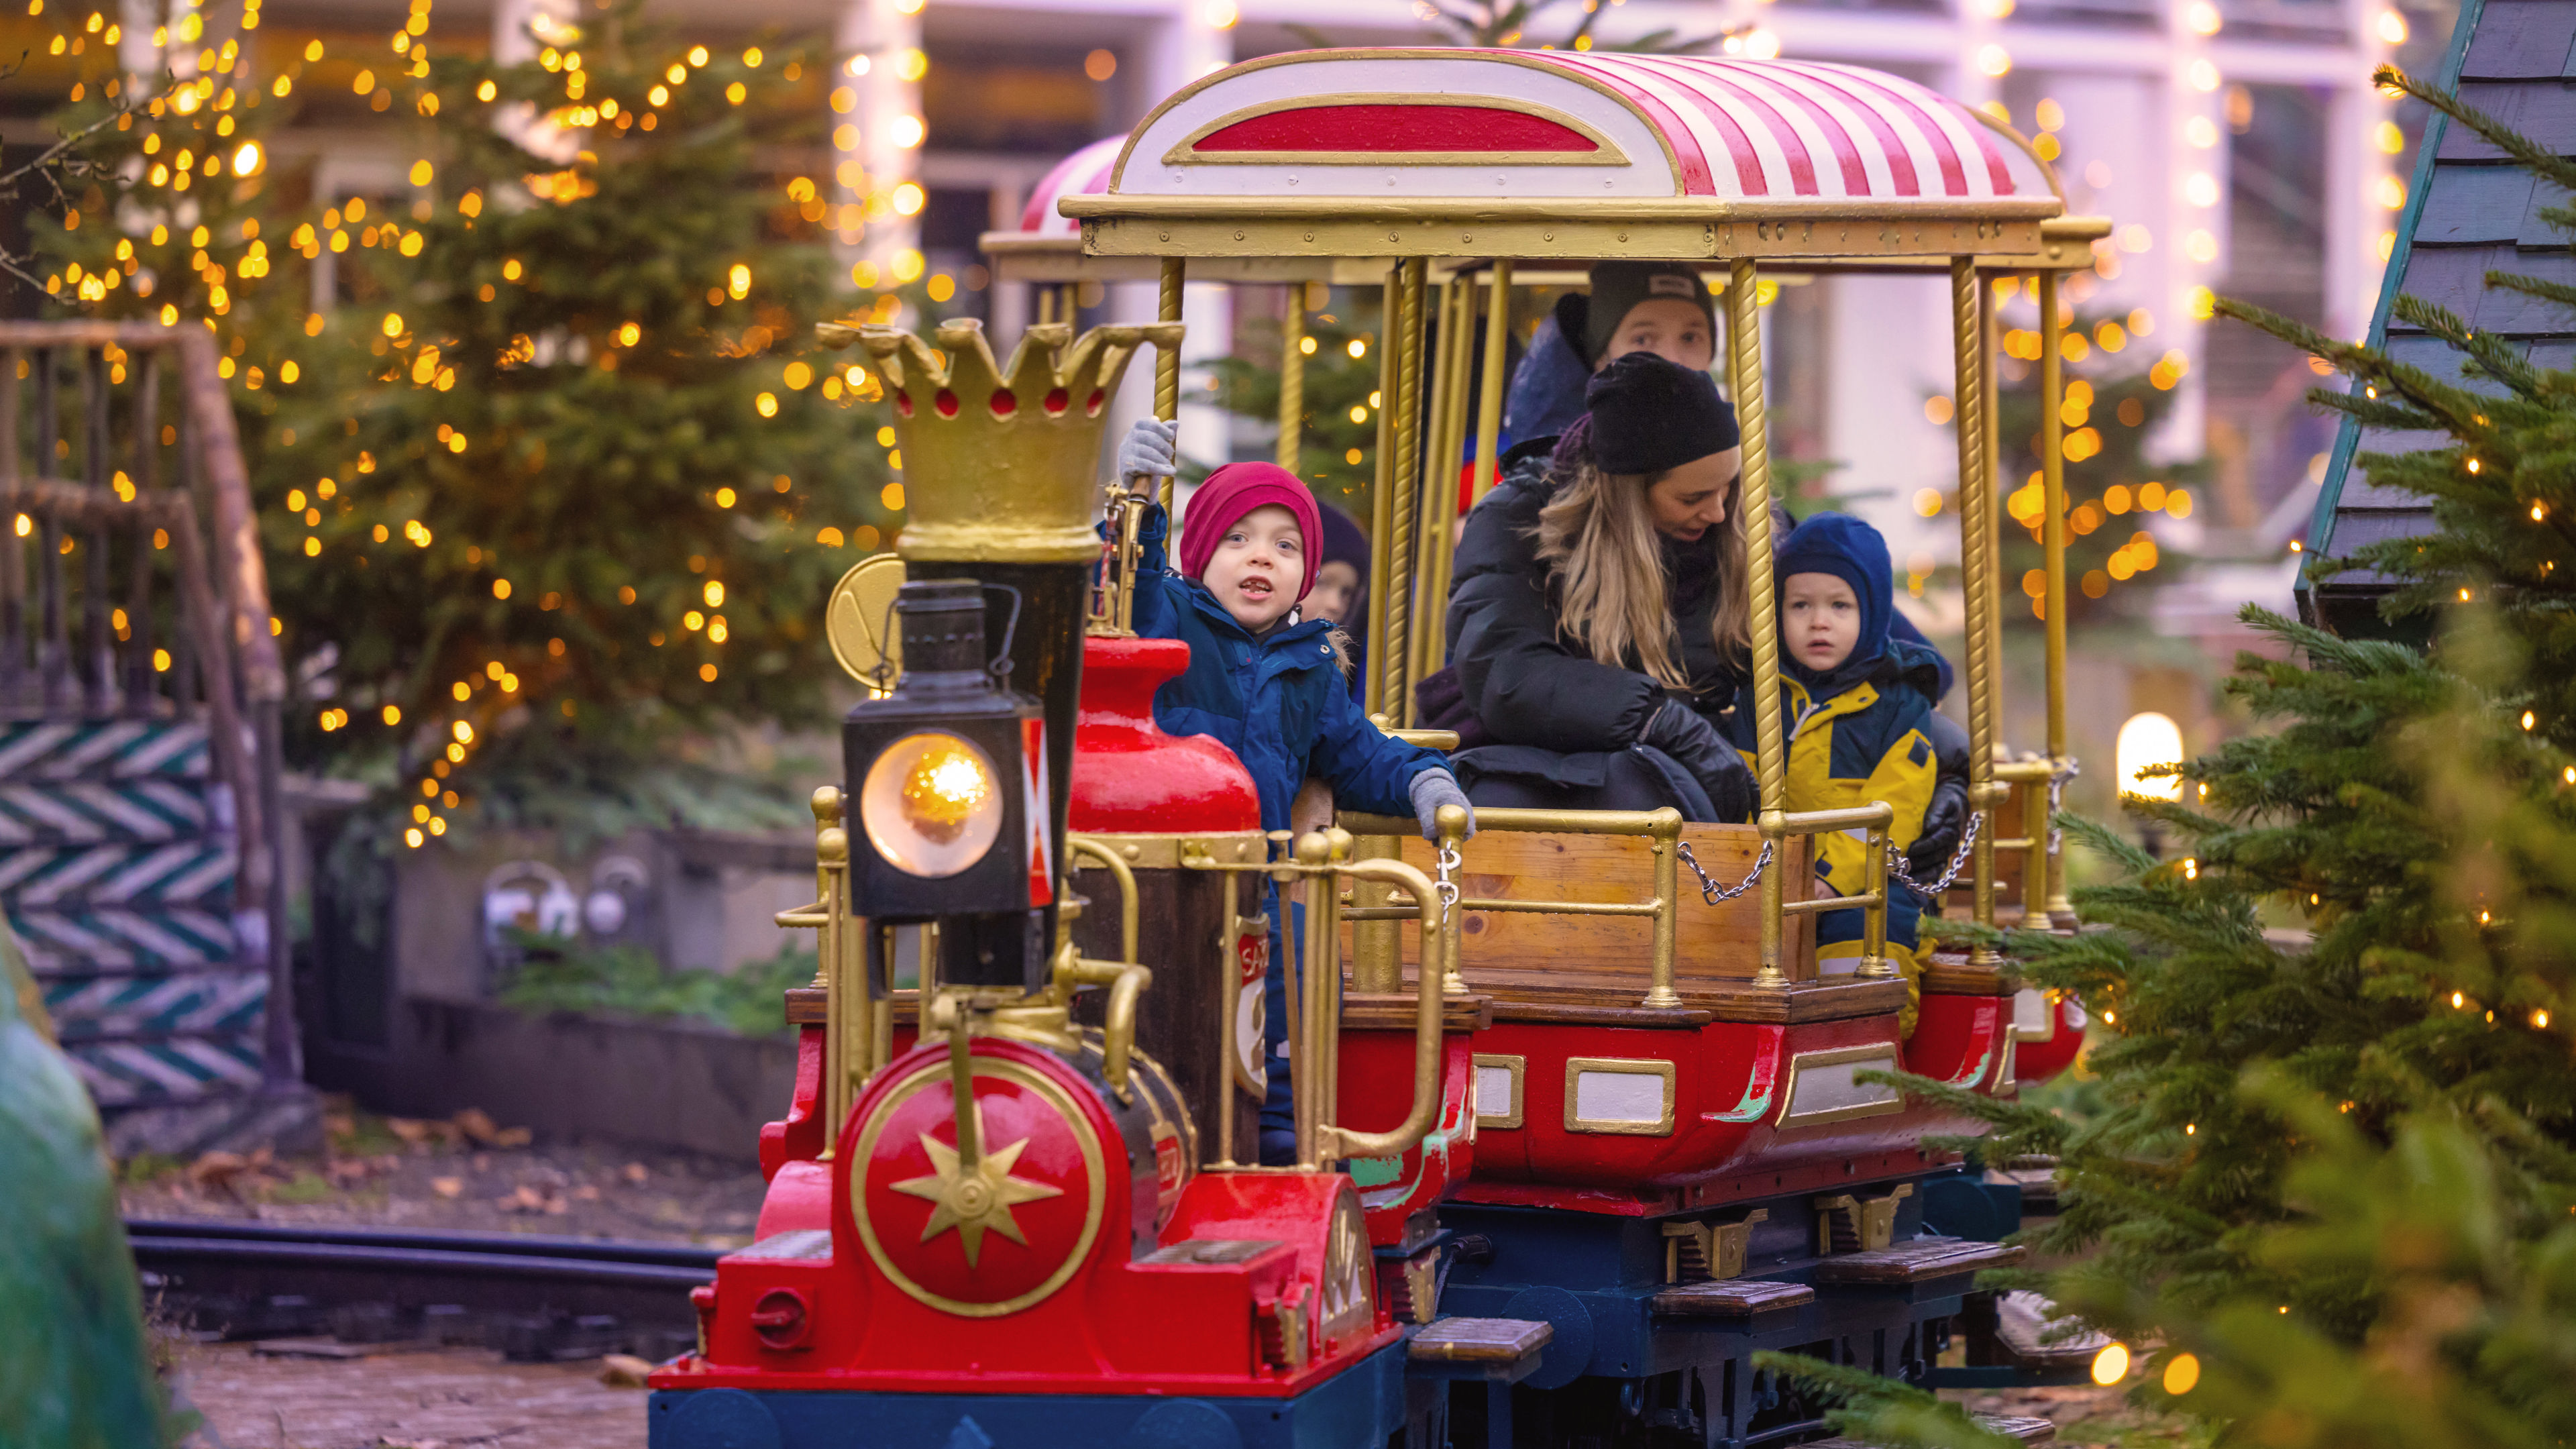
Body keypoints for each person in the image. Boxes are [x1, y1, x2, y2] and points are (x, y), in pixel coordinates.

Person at [1112, 424, 1474, 1165]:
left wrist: (1423, 779)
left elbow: (1359, 752)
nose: (1260, 558)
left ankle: (1279, 1122)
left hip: (1259, 877)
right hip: (1161, 868)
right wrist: (1138, 501)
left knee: (1291, 969)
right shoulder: (1172, 621)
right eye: (1237, 539)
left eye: (1285, 547)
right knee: (1156, 991)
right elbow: (1124, 585)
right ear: (1199, 556)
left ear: (1305, 575)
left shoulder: (1309, 665)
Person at [1440, 353, 1758, 820]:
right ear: (1629, 492)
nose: (1716, 512)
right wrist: (1657, 718)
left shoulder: (1737, 533)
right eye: (1692, 498)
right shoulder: (1516, 519)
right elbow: (1507, 672)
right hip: (1541, 769)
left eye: (1728, 488)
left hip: (1682, 782)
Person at [1730, 511, 1939, 1028]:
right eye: (1800, 605)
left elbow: (1894, 805)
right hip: (1772, 876)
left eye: (1839, 605)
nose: (1818, 621)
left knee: (1871, 940)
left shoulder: (1898, 704)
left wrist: (1827, 877)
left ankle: (1871, 1048)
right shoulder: (1763, 696)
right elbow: (1737, 783)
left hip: (1864, 879)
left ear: (1871, 614)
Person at [1501, 262, 1719, 447]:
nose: (1673, 361)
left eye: (1690, 338)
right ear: (1602, 360)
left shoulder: (1735, 464)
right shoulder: (1546, 483)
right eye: (1643, 339)